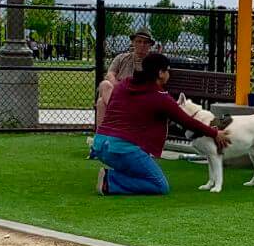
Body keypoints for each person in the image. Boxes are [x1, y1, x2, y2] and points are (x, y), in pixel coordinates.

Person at [90, 51, 226, 196]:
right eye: (168, 70)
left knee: (139, 169)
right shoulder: (160, 97)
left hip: (99, 146)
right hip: (122, 150)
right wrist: (215, 133)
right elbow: (187, 121)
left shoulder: (123, 84)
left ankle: (117, 175)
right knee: (159, 185)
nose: (169, 74)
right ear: (160, 73)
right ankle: (110, 181)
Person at [95, 28, 156, 131]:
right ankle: (101, 137)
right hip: (118, 93)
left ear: (150, 45)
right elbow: (110, 74)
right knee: (105, 84)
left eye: (145, 42)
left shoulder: (153, 62)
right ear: (133, 42)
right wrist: (119, 87)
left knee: (101, 102)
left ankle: (103, 136)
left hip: (138, 96)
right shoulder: (121, 58)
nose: (142, 45)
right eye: (139, 41)